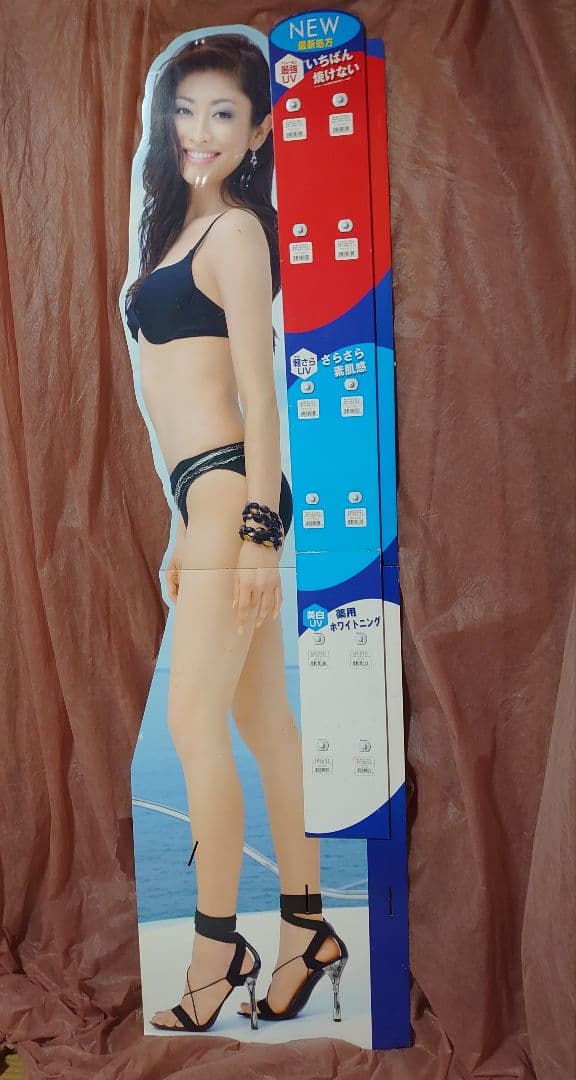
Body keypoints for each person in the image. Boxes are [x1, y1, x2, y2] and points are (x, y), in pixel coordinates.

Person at [125, 33, 348, 1034]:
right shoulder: (178, 231)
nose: (200, 130)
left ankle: (217, 951)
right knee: (264, 724)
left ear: (258, 132)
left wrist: (255, 532)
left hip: (235, 491)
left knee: (193, 725)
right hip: (203, 498)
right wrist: (186, 526)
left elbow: (259, 395)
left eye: (223, 113)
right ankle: (307, 929)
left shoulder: (239, 234)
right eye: (186, 108)